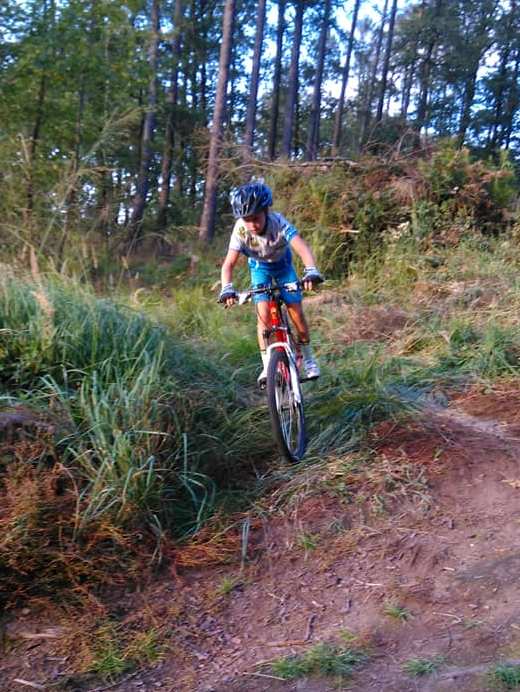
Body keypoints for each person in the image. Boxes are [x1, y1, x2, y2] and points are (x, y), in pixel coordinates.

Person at [219, 180, 323, 385]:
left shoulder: (279, 223)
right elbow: (228, 264)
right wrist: (227, 288)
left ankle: (309, 359)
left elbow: (302, 248)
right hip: (260, 269)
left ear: (266, 211)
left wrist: (311, 271)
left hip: (283, 267)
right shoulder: (240, 230)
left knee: (296, 312)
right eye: (246, 219)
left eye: (256, 218)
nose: (252, 225)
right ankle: (267, 364)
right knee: (263, 316)